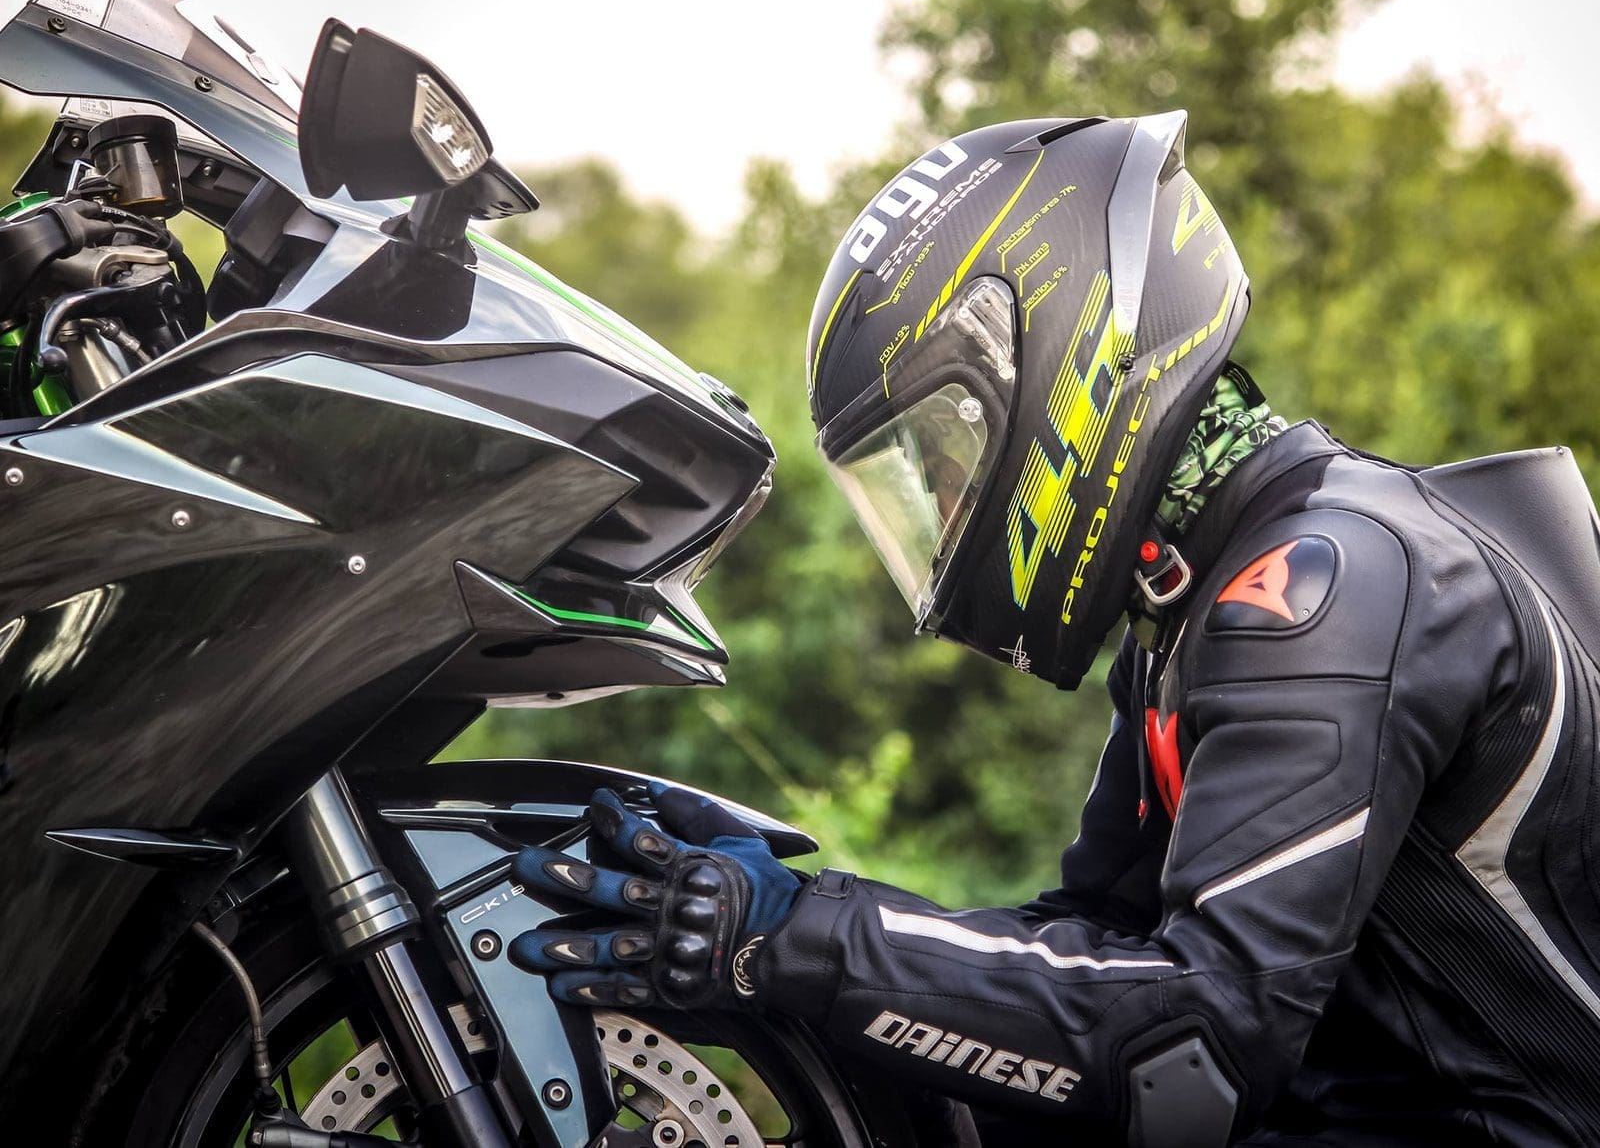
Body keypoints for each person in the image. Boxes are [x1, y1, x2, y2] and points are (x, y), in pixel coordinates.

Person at [508, 112, 1600, 1147]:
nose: (941, 509)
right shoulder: (1202, 593)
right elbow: (1092, 943)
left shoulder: (1320, 591)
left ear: (1067, 353)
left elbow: (1195, 1051)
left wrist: (793, 937)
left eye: (942, 451)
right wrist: (754, 941)